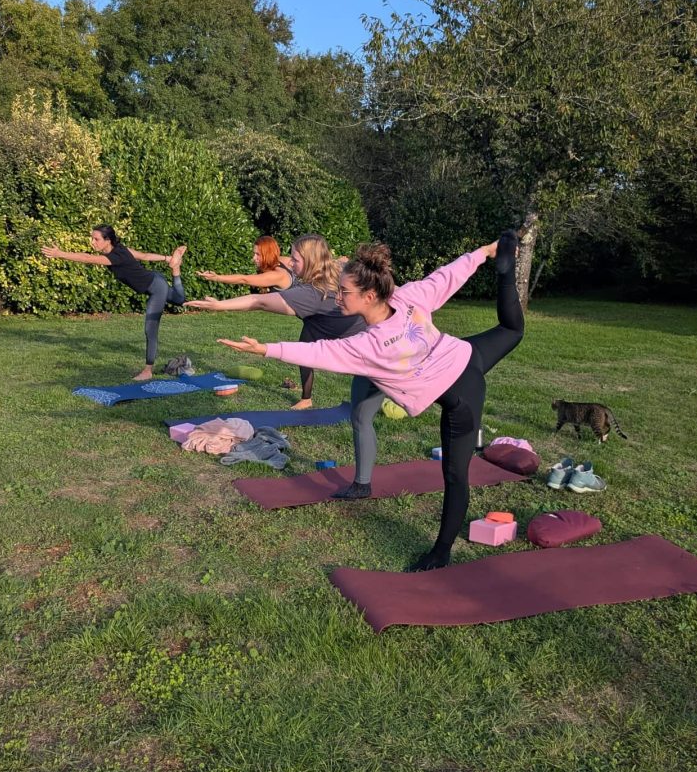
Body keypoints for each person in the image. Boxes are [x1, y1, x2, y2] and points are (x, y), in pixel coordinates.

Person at [216, 231, 524, 570]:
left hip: (461, 397)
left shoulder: (367, 346)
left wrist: (265, 349)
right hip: (470, 354)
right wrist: (482, 252)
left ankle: (440, 552)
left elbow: (319, 352)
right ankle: (506, 271)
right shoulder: (408, 298)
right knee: (512, 330)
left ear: (370, 295)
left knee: (455, 476)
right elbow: (445, 277)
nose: (338, 299)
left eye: (344, 293)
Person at [189, 233, 365, 410]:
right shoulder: (330, 269)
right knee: (303, 353)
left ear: (311, 261)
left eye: (295, 260)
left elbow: (259, 301)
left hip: (349, 335)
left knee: (363, 390)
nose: (291, 263)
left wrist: (218, 305)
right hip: (319, 322)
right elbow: (343, 261)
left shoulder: (310, 292)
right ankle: (306, 398)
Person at [41, 226, 187, 380]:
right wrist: (167, 258)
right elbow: (144, 256)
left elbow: (88, 259)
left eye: (96, 239)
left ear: (108, 240)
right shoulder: (120, 249)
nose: (92, 242)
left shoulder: (116, 256)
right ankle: (175, 267)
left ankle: (147, 371)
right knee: (180, 300)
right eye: (92, 238)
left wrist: (60, 254)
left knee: (150, 329)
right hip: (156, 280)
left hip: (156, 288)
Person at [196, 235, 294, 293]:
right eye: (254, 254)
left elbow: (244, 279)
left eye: (258, 254)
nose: (253, 258)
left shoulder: (276, 275)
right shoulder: (282, 260)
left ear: (268, 254)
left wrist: (217, 278)